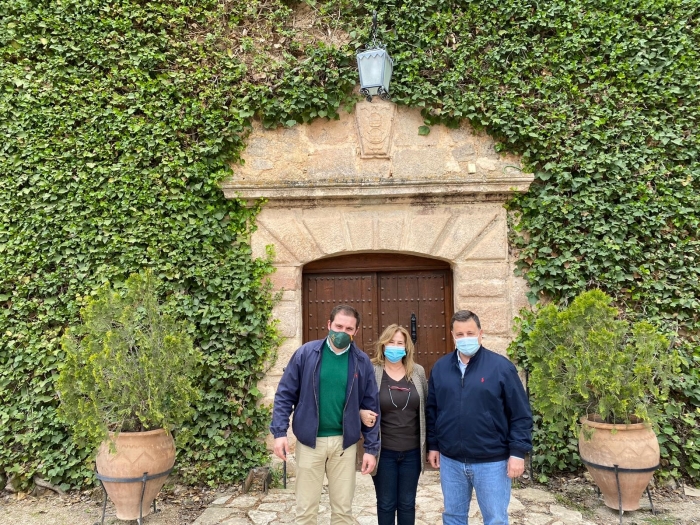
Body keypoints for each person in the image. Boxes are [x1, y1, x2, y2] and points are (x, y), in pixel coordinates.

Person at [270, 304, 380, 525]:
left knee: (343, 512)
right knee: (305, 512)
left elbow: (371, 406)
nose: (342, 332)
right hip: (310, 443)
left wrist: (371, 448)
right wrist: (279, 433)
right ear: (329, 324)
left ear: (356, 331)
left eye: (349, 329)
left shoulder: (361, 362)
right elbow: (285, 394)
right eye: (338, 326)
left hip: (344, 445)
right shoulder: (306, 354)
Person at [426, 310, 532, 525]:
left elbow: (520, 414)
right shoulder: (440, 368)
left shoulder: (501, 368)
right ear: (453, 336)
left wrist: (518, 453)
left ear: (481, 334)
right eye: (460, 334)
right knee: (453, 518)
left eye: (470, 333)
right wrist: (434, 445)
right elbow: (433, 410)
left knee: (495, 519)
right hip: (451, 461)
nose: (465, 338)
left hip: (492, 462)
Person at [360, 324, 428, 525]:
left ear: (407, 347)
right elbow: (355, 400)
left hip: (412, 452)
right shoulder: (371, 370)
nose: (395, 347)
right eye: (391, 342)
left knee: (407, 503)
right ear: (383, 344)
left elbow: (426, 407)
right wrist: (359, 412)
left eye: (400, 343)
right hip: (384, 452)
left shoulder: (417, 372)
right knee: (386, 504)